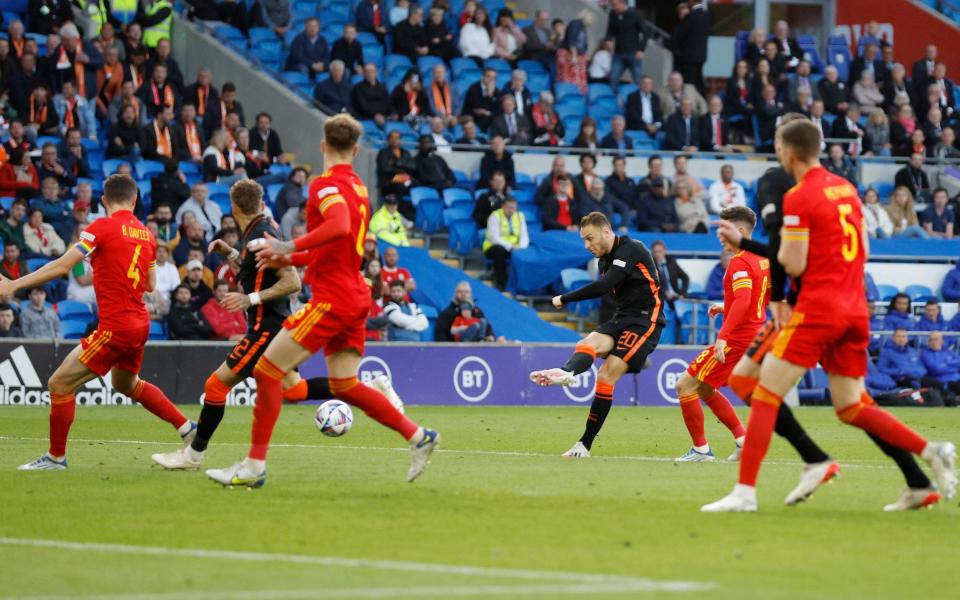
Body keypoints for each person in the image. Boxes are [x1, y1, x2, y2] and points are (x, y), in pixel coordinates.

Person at [702, 119, 956, 513]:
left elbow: (793, 261)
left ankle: (745, 493)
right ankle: (930, 452)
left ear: (786, 151)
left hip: (819, 309)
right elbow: (864, 249)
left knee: (764, 390)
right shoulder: (847, 189)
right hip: (855, 307)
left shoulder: (800, 197)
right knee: (851, 405)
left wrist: (747, 245)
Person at [210, 114, 439, 486]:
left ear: (322, 145)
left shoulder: (324, 185)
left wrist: (288, 244)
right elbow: (338, 246)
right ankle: (419, 436)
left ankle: (253, 467)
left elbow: (339, 226)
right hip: (354, 292)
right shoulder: (360, 188)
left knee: (268, 370)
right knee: (345, 386)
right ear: (356, 149)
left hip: (333, 297)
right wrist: (289, 258)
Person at [3, 174, 197, 471]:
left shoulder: (101, 227)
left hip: (116, 326)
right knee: (126, 383)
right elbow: (150, 284)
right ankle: (186, 428)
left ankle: (56, 458)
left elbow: (64, 265)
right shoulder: (147, 234)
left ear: (103, 200)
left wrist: (14, 285)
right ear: (134, 201)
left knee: (59, 384)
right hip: (140, 324)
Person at [530, 212, 664, 457]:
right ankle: (567, 371)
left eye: (589, 238)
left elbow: (603, 287)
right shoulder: (604, 260)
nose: (586, 245)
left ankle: (584, 444)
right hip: (622, 317)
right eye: (583, 240)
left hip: (646, 320)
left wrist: (564, 298)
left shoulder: (631, 248)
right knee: (587, 342)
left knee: (605, 375)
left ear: (606, 231)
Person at [675, 207, 765, 461]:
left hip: (737, 337)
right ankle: (742, 439)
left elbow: (745, 300)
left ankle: (701, 449)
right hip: (753, 334)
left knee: (684, 385)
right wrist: (726, 305)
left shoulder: (740, 261)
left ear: (741, 231)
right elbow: (760, 297)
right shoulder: (760, 257)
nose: (718, 234)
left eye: (723, 229)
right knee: (703, 387)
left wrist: (723, 336)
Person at [482, 195, 529, 290]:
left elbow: (524, 235)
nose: (511, 210)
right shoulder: (495, 216)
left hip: (515, 248)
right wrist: (510, 247)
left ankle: (523, 285)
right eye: (509, 208)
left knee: (528, 251)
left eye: (513, 208)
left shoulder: (520, 216)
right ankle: (501, 283)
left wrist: (521, 247)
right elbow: (494, 238)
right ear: (503, 206)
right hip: (493, 247)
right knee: (500, 251)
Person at [605, 0, 648, 93]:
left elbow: (646, 32)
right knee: (613, 79)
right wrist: (608, 39)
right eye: (612, 5)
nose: (613, 7)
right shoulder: (612, 14)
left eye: (615, 5)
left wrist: (641, 50)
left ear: (622, 3)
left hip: (633, 53)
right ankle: (614, 101)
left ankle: (642, 102)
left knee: (638, 80)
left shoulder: (634, 14)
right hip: (618, 53)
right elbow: (609, 30)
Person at [671, 2, 709, 94]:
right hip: (700, 56)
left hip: (688, 57)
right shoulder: (706, 15)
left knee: (690, 83)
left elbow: (680, 36)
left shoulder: (691, 16)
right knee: (698, 81)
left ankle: (693, 102)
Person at [650, 239, 689, 310]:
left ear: (664, 251)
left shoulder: (671, 261)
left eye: (660, 251)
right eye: (655, 252)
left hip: (676, 296)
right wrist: (665, 293)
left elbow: (685, 277)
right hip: (662, 297)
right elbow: (654, 283)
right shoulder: (651, 265)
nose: (657, 254)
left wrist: (682, 293)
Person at [921, 332, 960, 398]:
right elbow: (937, 369)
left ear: (942, 341)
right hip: (943, 382)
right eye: (931, 339)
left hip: (957, 379)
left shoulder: (948, 351)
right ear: (928, 342)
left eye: (936, 339)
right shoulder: (925, 354)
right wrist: (952, 365)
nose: (933, 342)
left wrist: (945, 363)